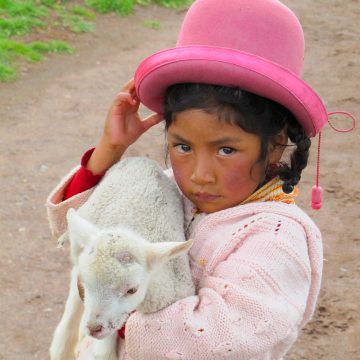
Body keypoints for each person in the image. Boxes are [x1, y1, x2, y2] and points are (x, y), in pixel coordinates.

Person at [46, 0, 355, 359]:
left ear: (274, 146)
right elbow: (79, 232)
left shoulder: (276, 239)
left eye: (225, 150)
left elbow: (215, 340)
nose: (199, 174)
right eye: (182, 146)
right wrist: (109, 150)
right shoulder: (166, 191)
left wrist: (114, 310)